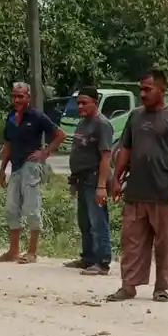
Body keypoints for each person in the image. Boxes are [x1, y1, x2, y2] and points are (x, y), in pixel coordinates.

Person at [107, 69, 168, 303]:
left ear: (161, 90)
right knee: (132, 242)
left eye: (147, 89)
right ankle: (128, 286)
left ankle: (161, 287)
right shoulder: (135, 116)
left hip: (164, 192)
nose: (142, 94)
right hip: (135, 191)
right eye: (140, 89)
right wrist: (116, 178)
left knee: (166, 243)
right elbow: (126, 149)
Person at [0, 82, 65, 264]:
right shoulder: (11, 117)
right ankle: (13, 251)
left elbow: (60, 134)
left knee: (31, 209)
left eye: (20, 96)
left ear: (28, 98)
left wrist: (45, 152)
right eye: (14, 96)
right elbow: (8, 144)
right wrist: (2, 169)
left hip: (31, 166)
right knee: (11, 208)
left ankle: (32, 251)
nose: (17, 100)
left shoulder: (36, 116)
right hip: (15, 167)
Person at [64, 87, 114, 276]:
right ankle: (88, 258)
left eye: (85, 102)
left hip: (95, 180)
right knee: (84, 221)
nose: (81, 106)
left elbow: (106, 157)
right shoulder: (82, 123)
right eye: (78, 103)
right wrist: (73, 180)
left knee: (98, 221)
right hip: (82, 179)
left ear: (95, 102)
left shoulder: (102, 124)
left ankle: (102, 262)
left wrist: (101, 186)